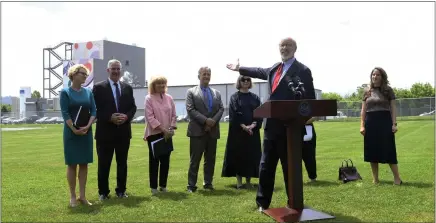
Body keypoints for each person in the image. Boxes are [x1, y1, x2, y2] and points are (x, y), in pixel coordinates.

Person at [226, 37, 316, 211]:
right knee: (266, 166)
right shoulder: (275, 68)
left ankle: (294, 202)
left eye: (288, 45)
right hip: (271, 127)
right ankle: (262, 203)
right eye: (282, 45)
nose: (285, 48)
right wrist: (240, 68)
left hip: (290, 128)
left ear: (295, 48)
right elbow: (259, 71)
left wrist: (301, 120)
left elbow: (309, 99)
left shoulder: (303, 70)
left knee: (289, 167)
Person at [92, 59, 137, 200]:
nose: (116, 71)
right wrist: (109, 117)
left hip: (123, 133)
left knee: (122, 164)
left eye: (118, 69)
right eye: (113, 69)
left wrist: (127, 116)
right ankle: (103, 192)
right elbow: (94, 110)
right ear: (108, 70)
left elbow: (133, 107)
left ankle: (121, 191)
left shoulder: (127, 88)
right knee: (104, 164)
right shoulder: (98, 88)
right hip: (105, 133)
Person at [59, 64, 96, 207]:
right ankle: (73, 196)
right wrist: (74, 129)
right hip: (71, 133)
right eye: (83, 74)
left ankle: (83, 196)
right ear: (74, 74)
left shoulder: (88, 92)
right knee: (72, 164)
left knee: (84, 164)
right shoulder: (65, 92)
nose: (85, 77)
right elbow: (65, 113)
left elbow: (94, 110)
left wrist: (88, 125)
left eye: (86, 75)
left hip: (86, 131)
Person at [185, 66, 224, 192]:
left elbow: (221, 109)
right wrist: (206, 121)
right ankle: (191, 185)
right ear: (199, 76)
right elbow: (191, 110)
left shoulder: (216, 93)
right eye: (204, 74)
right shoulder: (191, 92)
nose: (206, 76)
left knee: (210, 159)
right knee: (195, 159)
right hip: (197, 131)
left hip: (212, 131)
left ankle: (208, 182)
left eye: (208, 74)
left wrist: (212, 122)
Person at [360, 67, 402, 185]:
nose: (375, 77)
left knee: (389, 149)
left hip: (385, 121)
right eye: (373, 75)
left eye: (378, 75)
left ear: (382, 77)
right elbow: (363, 110)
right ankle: (375, 179)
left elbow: (393, 108)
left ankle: (397, 178)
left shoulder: (388, 90)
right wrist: (362, 125)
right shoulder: (366, 91)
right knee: (372, 150)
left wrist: (394, 123)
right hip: (370, 122)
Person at [221, 75, 263, 189]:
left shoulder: (255, 97)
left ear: (250, 82)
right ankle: (239, 182)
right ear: (239, 82)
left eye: (248, 79)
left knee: (251, 155)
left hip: (252, 132)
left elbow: (259, 113)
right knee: (238, 155)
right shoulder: (234, 97)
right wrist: (244, 127)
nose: (245, 81)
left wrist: (253, 125)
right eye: (243, 79)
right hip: (238, 132)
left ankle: (248, 181)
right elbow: (234, 113)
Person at [143, 75, 177, 195]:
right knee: (154, 161)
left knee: (166, 161)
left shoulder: (169, 98)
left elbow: (174, 115)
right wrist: (163, 130)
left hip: (168, 134)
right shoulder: (149, 98)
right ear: (153, 85)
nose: (162, 86)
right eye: (159, 83)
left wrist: (171, 128)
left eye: (163, 83)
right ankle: (153, 188)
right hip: (154, 134)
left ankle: (163, 186)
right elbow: (150, 117)